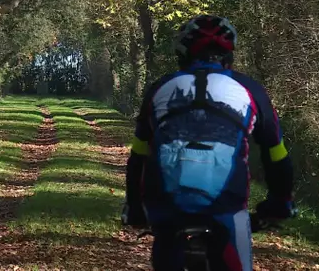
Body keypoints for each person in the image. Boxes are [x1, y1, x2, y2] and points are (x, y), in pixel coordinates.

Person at [121, 15, 297, 271]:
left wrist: (135, 207)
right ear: (229, 55)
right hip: (227, 204)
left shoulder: (160, 88)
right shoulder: (250, 89)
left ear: (182, 54)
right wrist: (281, 202)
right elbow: (276, 154)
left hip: (166, 205)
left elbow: (138, 156)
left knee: (166, 250)